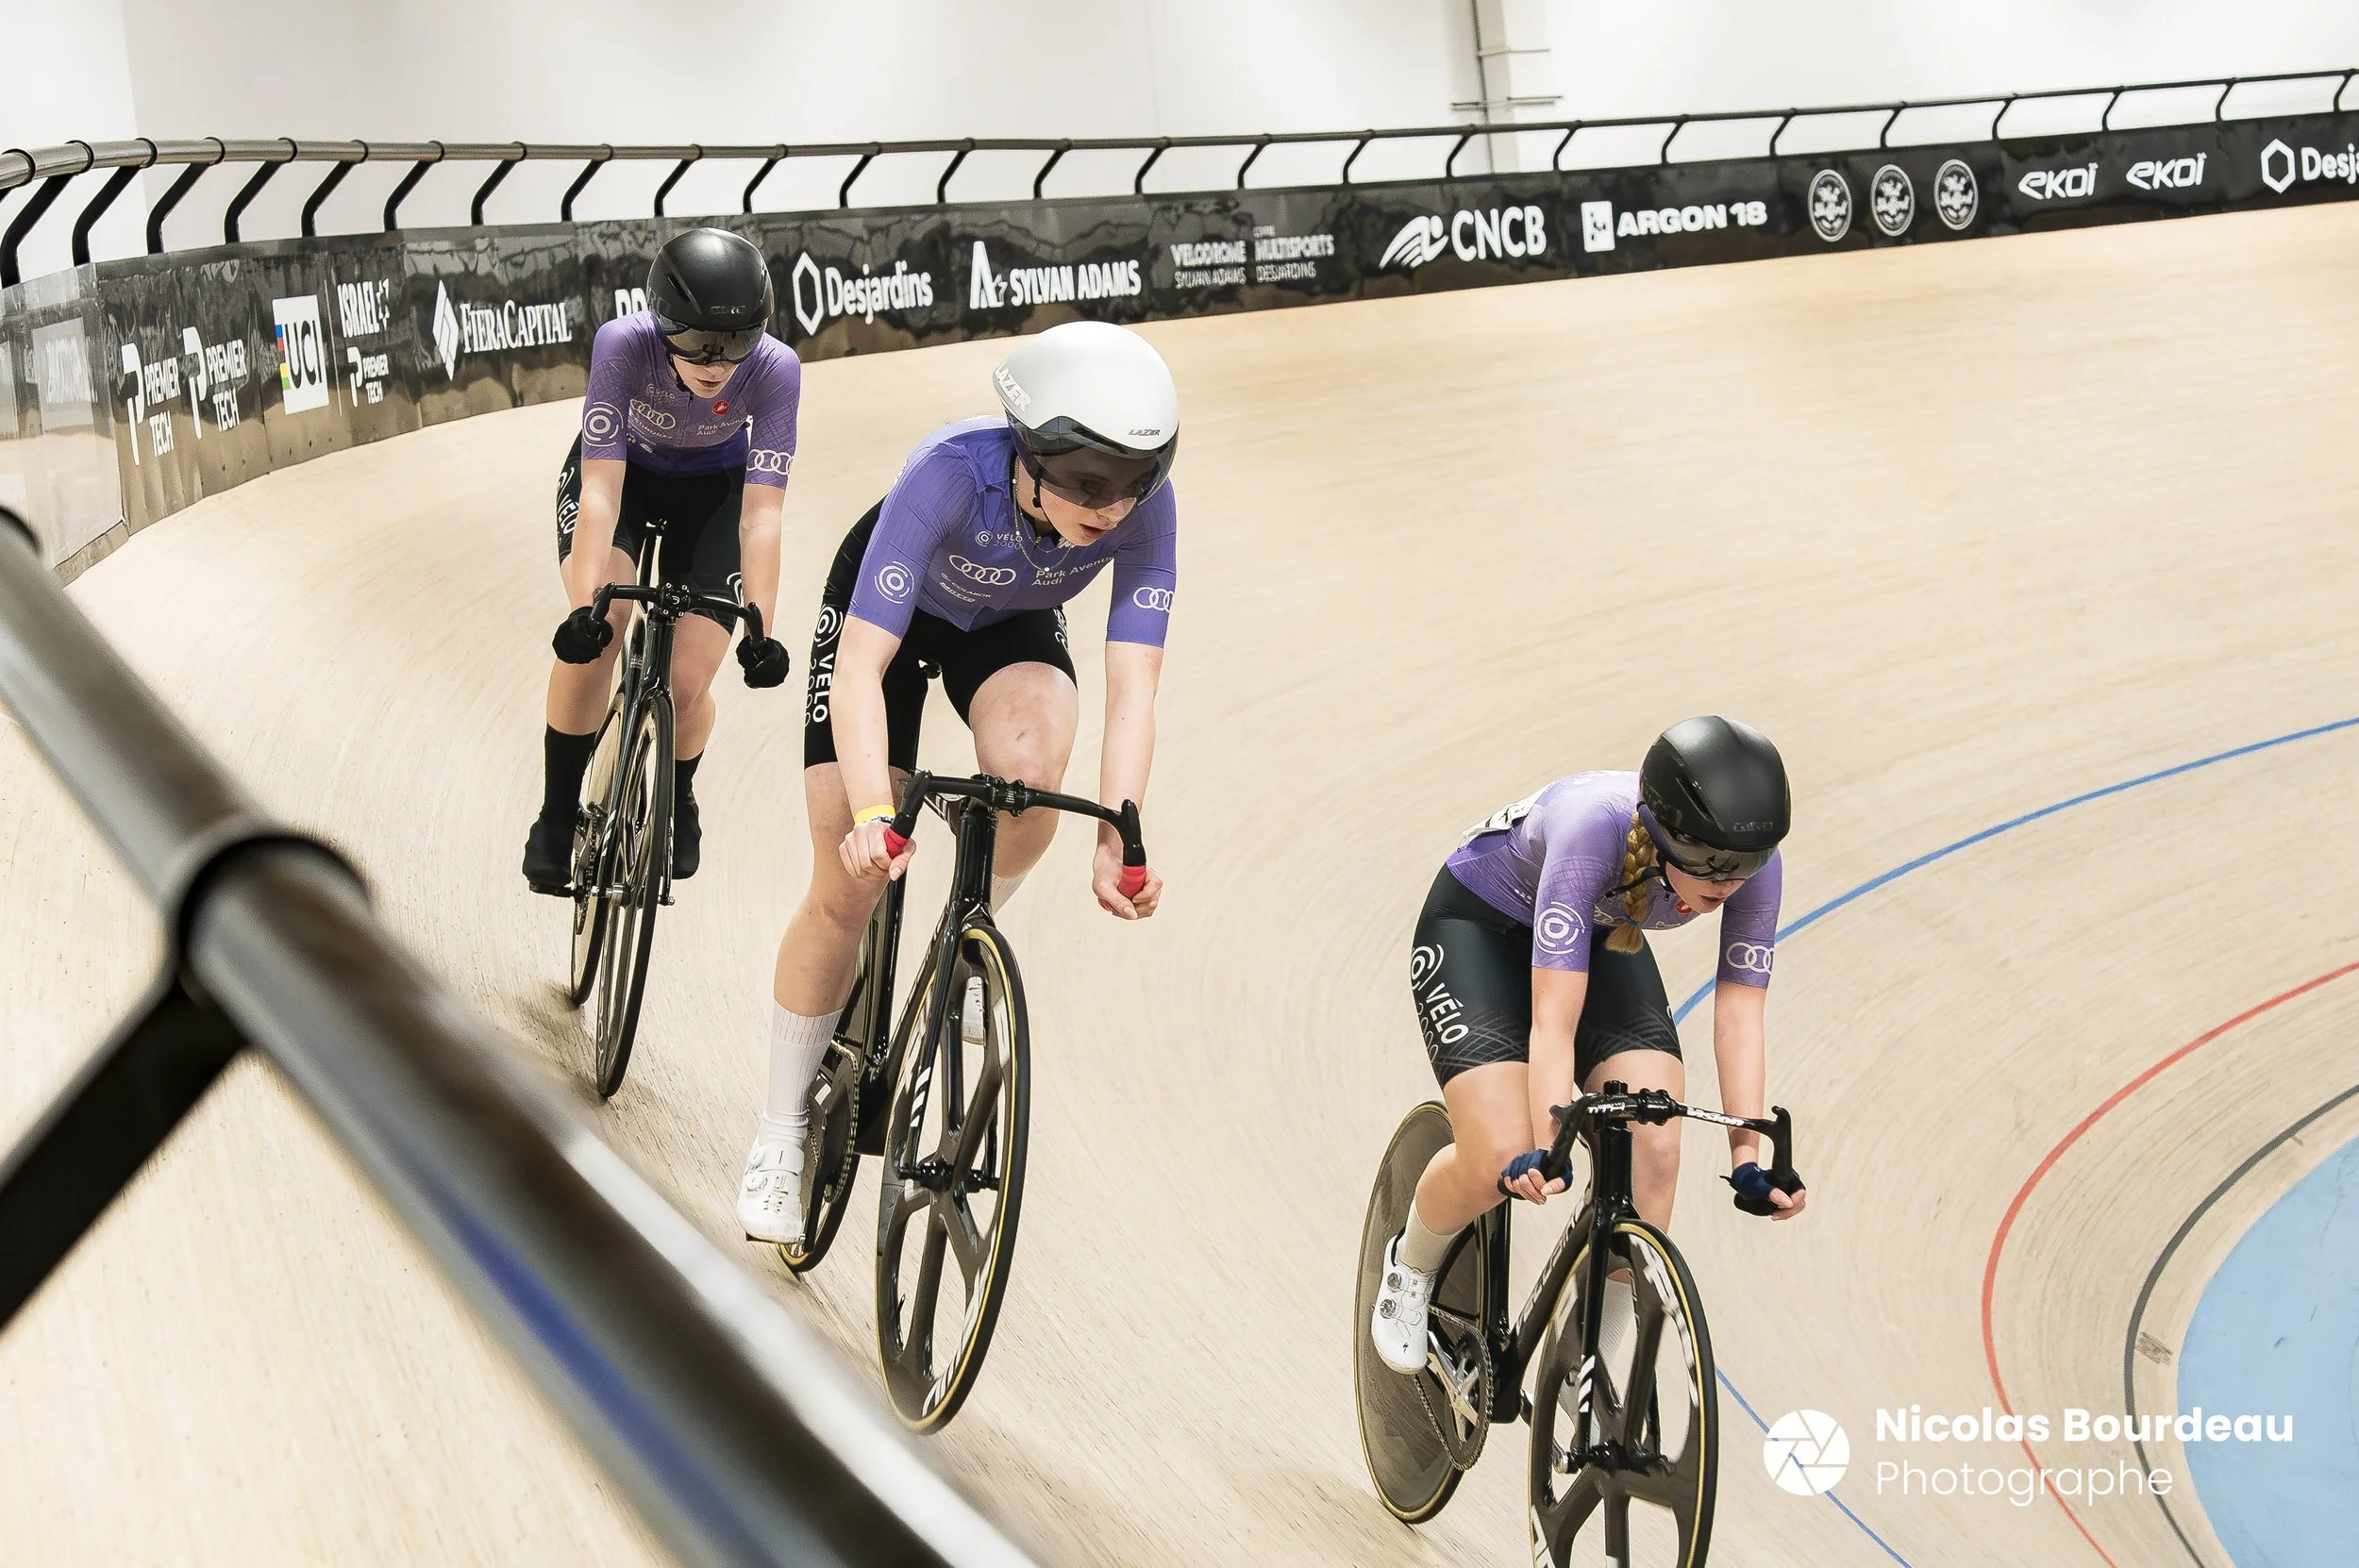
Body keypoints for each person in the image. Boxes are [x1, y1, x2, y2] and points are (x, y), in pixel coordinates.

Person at [736, 320, 1179, 1243]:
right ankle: (779, 1130)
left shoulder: (1145, 509)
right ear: (1030, 452)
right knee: (846, 879)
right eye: (1090, 483)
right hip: (890, 619)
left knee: (1030, 772)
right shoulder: (948, 472)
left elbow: (1133, 686)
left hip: (1008, 627)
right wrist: (870, 813)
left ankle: (965, 942)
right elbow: (859, 671)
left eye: (1137, 483)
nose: (1114, 509)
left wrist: (1118, 835)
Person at [1368, 716, 1809, 1375]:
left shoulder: (1749, 872)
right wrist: (1551, 1142)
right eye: (1711, 862)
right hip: (1479, 931)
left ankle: (1589, 1373)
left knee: (1653, 1147)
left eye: (1747, 862)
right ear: (1661, 833)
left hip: (1598, 939)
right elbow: (1553, 1020)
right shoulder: (1590, 828)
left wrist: (1750, 1156)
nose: (1728, 883)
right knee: (1499, 1155)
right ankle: (1411, 1263)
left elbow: (1741, 1012)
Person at [523, 226, 798, 892]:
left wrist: (760, 624)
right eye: (697, 340)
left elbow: (761, 515)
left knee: (686, 681)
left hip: (715, 494)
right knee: (600, 633)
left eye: (736, 343)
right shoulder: (624, 344)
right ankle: (557, 815)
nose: (716, 361)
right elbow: (599, 493)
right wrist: (586, 607)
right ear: (660, 321)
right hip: (626, 476)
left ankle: (679, 793)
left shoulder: (777, 369)